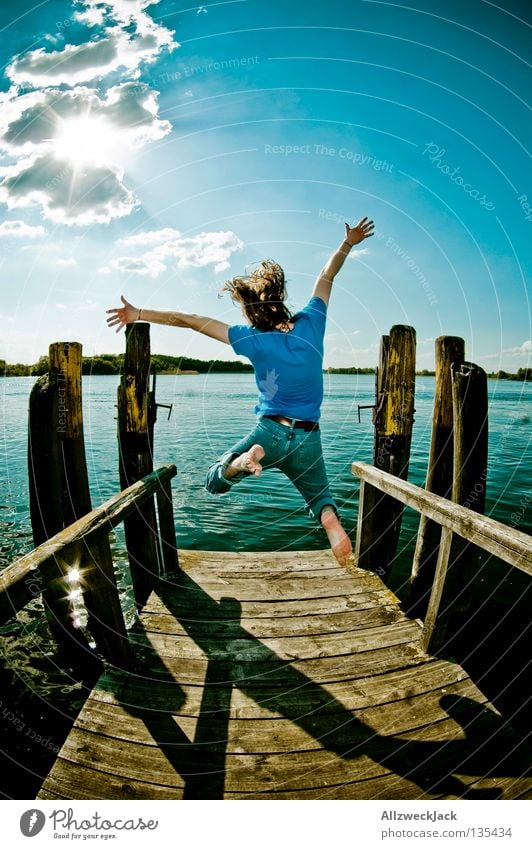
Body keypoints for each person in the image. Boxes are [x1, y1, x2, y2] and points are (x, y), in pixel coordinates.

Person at [106, 216, 375, 565]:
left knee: (213, 480)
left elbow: (187, 319)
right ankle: (331, 523)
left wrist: (138, 312)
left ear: (252, 310)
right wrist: (348, 243)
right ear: (280, 298)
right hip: (309, 435)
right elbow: (327, 275)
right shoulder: (313, 322)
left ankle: (240, 464)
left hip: (270, 431)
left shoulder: (251, 339)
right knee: (318, 494)